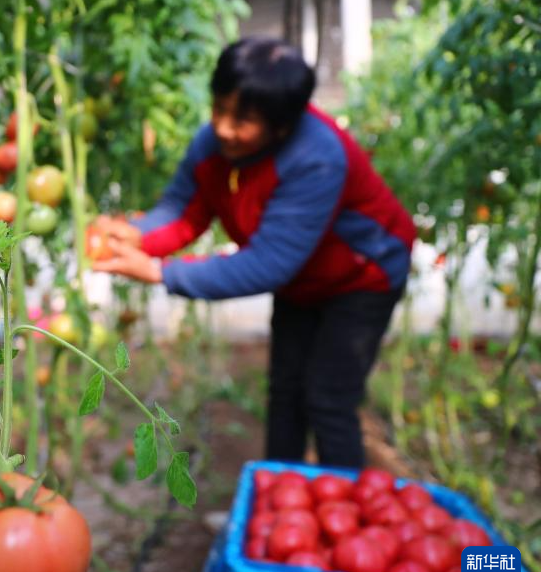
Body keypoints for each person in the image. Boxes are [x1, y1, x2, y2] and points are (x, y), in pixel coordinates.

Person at [91, 36, 415, 469]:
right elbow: (183, 210)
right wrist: (135, 235)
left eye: (242, 120)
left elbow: (268, 263)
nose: (224, 128)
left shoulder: (316, 157)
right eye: (219, 109)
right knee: (285, 391)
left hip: (363, 275)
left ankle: (341, 500)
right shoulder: (215, 144)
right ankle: (278, 489)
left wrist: (160, 272)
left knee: (328, 397)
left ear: (282, 125)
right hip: (302, 279)